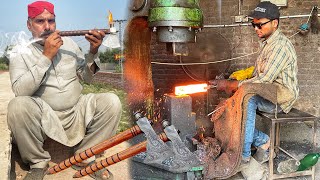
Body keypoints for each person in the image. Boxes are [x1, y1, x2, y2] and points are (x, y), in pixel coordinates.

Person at [7, 1, 121, 180]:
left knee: (112, 101)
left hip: (76, 111)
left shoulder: (69, 44)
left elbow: (87, 78)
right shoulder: (20, 52)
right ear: (29, 25)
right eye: (40, 21)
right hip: (45, 117)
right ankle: (38, 163)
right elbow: (21, 92)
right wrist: (47, 56)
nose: (47, 27)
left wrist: (93, 51)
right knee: (17, 106)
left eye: (51, 21)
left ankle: (84, 156)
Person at [212, 1, 298, 167]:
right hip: (269, 90)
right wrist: (235, 80)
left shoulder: (280, 46)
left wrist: (233, 84)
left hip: (282, 95)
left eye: (260, 25)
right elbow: (258, 74)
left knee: (247, 98)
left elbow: (265, 79)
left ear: (275, 23)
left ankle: (243, 157)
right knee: (237, 98)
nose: (256, 29)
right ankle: (263, 141)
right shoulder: (267, 44)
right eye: (254, 25)